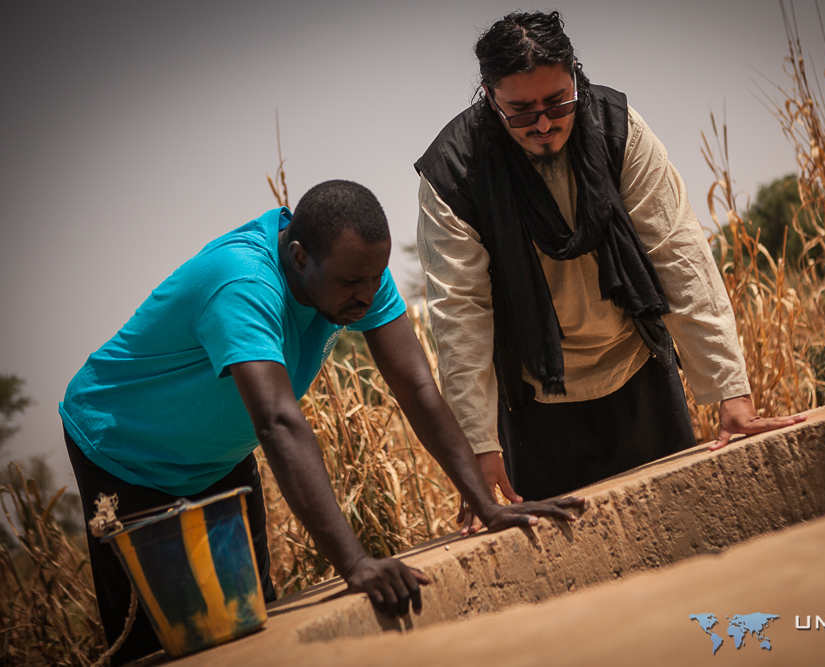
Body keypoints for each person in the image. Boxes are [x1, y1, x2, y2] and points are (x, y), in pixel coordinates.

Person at [60, 180, 584, 664]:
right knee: (162, 643)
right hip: (126, 456)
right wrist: (355, 564)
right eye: (352, 282)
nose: (367, 294)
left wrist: (486, 504)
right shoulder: (242, 283)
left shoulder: (359, 274)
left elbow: (417, 388)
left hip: (217, 459)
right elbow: (278, 422)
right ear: (298, 256)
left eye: (375, 279)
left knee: (249, 622)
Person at [414, 11, 804, 521]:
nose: (544, 123)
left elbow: (679, 255)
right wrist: (479, 452)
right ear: (490, 97)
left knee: (682, 531)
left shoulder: (618, 128)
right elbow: (460, 316)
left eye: (558, 101)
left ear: (575, 77)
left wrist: (732, 395)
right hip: (535, 400)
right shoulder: (454, 173)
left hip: (639, 368)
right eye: (520, 110)